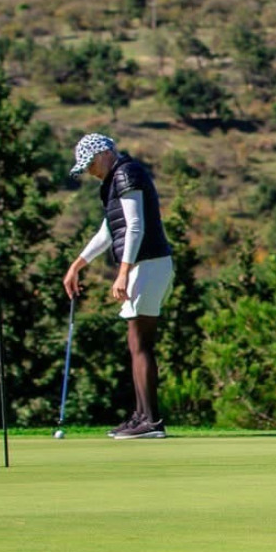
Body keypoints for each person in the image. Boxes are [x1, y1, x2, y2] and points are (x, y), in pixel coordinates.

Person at [62, 133, 174, 439]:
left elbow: (135, 226)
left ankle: (150, 421)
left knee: (141, 344)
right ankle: (141, 416)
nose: (89, 171)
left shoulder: (127, 173)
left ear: (105, 154)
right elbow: (109, 231)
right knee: (135, 343)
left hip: (149, 265)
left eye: (90, 164)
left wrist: (123, 273)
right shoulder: (112, 182)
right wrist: (77, 266)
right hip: (145, 266)